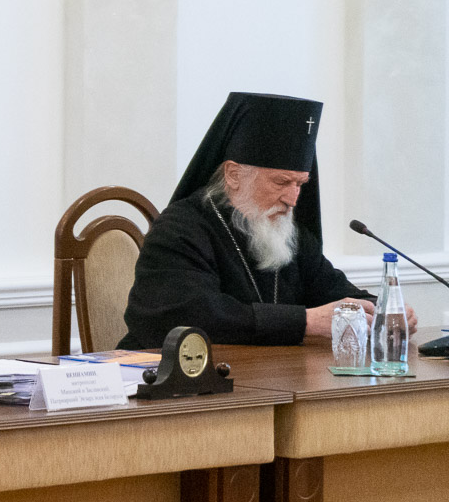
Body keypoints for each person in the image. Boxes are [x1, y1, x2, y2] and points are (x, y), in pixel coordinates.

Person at [120, 91, 414, 349]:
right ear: (233, 175)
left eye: (300, 184)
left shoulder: (285, 233)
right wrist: (305, 322)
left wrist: (382, 311)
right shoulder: (180, 229)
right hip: (170, 379)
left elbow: (333, 290)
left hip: (266, 377)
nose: (293, 199)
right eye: (281, 182)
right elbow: (193, 315)